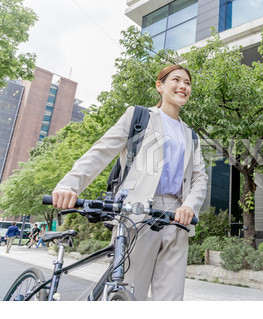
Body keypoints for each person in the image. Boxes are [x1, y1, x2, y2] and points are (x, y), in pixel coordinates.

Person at [51, 64, 208, 301]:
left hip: (177, 219)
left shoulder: (190, 134)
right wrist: (69, 185)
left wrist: (190, 206)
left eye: (187, 83)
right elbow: (101, 151)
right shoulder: (139, 116)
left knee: (171, 300)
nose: (183, 86)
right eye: (176, 80)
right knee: (129, 294)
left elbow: (200, 177)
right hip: (137, 215)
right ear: (160, 86)